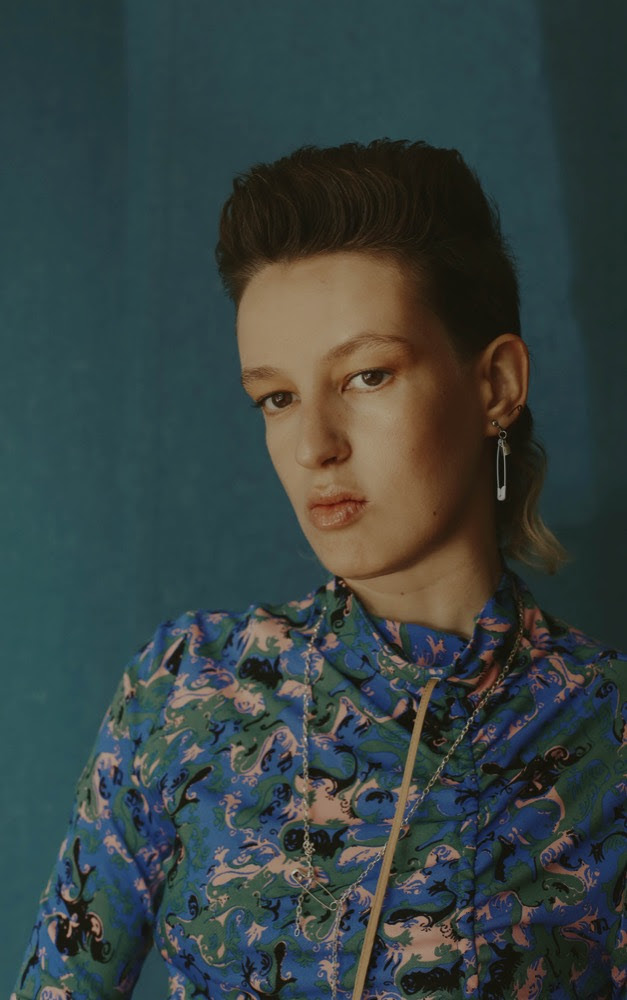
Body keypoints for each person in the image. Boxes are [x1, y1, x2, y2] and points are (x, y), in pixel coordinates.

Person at [13, 140, 625, 1000]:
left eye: (367, 376)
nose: (313, 446)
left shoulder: (606, 735)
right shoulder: (190, 691)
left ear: (494, 384)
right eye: (277, 397)